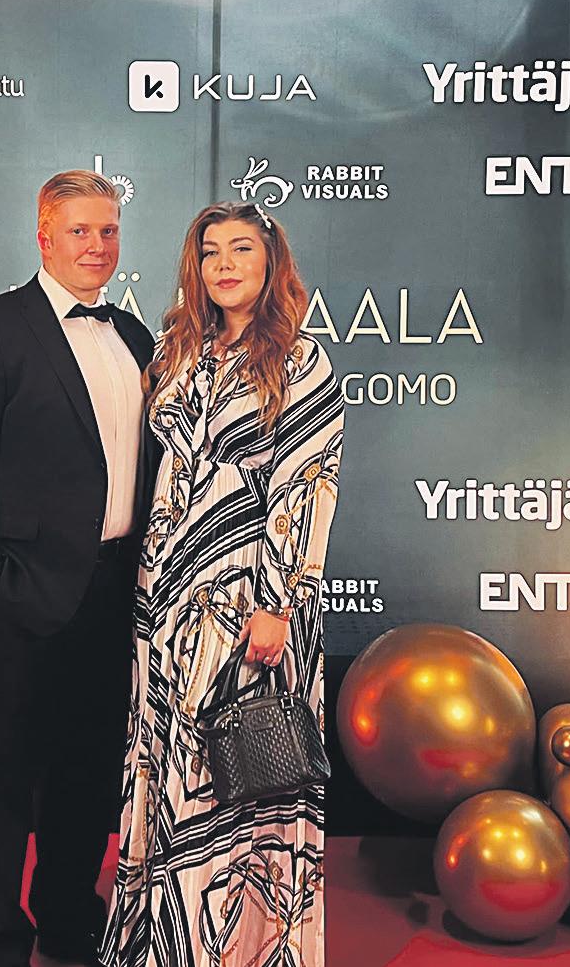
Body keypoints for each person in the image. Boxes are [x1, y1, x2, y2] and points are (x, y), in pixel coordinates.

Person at [100, 201, 344, 967]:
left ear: (271, 262)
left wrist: (277, 603)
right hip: (164, 595)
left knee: (234, 774)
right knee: (165, 761)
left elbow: (306, 485)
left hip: (245, 600)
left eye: (242, 248)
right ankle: (161, 944)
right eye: (211, 252)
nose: (225, 264)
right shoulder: (180, 350)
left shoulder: (301, 360)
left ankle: (242, 949)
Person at [0, 170, 157, 967]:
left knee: (89, 770)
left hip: (117, 590)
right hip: (19, 591)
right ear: (44, 237)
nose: (97, 245)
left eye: (108, 230)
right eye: (80, 231)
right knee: (4, 779)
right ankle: (0, 940)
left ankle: (66, 919)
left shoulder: (135, 337)